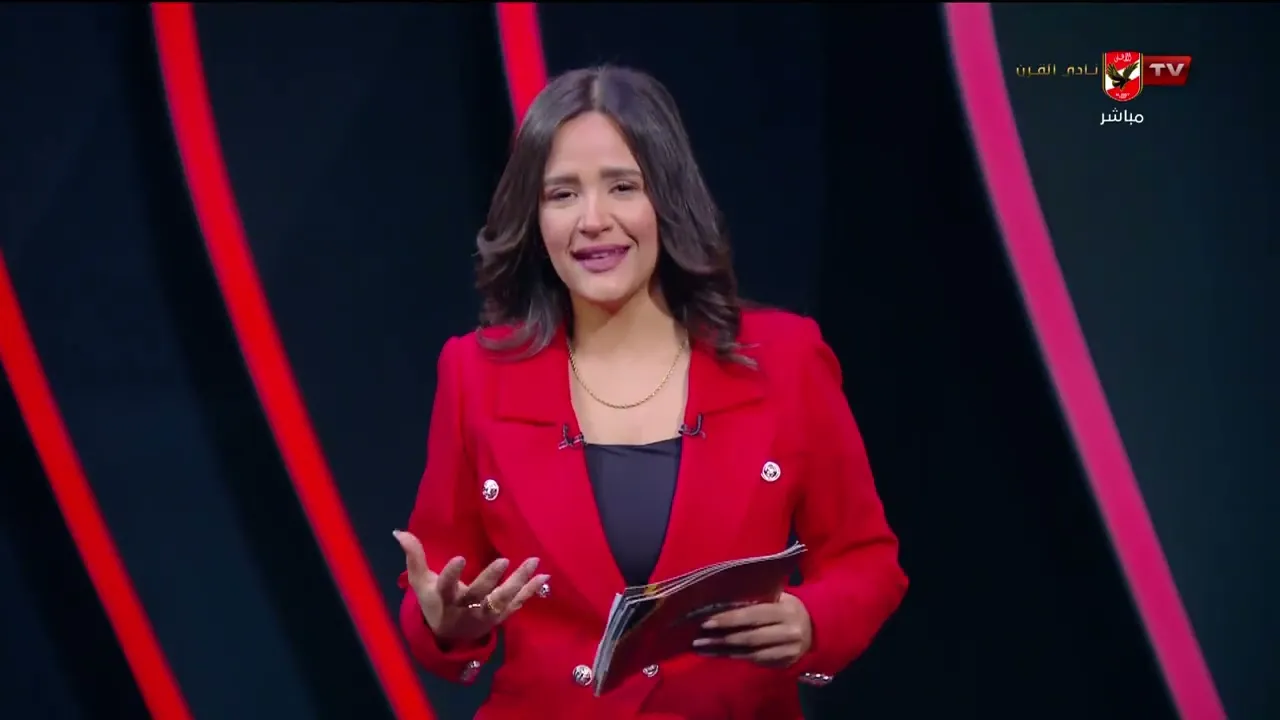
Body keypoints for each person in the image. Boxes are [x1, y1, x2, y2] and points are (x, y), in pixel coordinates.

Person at [393, 65, 907, 719]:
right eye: (562, 194)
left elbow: (866, 559)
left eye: (622, 186)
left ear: (667, 198)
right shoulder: (476, 373)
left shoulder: (784, 359)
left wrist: (812, 620)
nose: (593, 220)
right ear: (535, 217)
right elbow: (438, 585)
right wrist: (447, 623)